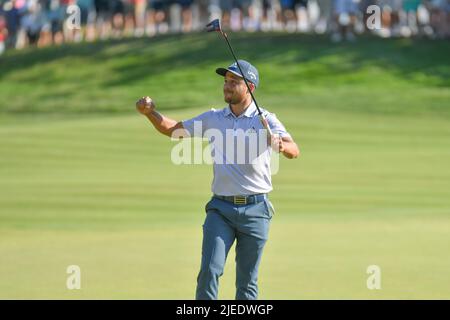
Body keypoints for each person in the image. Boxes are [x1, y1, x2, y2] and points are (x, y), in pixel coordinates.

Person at [135, 60, 300, 300]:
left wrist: (280, 144)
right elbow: (173, 130)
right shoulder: (214, 118)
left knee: (247, 283)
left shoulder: (265, 119)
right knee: (209, 272)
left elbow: (294, 150)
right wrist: (150, 113)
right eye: (225, 81)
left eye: (234, 82)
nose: (227, 86)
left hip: (256, 210)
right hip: (220, 209)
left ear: (250, 87)